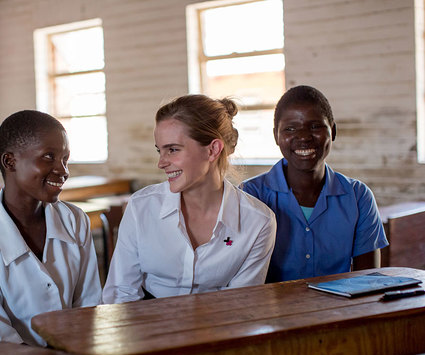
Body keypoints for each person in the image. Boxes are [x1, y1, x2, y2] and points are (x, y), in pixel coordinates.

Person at [102, 94, 276, 304]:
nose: (161, 163)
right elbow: (121, 294)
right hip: (144, 326)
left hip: (220, 328)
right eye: (160, 150)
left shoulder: (259, 222)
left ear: (213, 150)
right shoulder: (141, 207)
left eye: (173, 150)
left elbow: (241, 303)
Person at [0, 110, 102, 346]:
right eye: (48, 157)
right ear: (10, 161)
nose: (63, 170)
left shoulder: (74, 220)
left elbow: (89, 306)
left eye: (65, 159)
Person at [240, 85, 389, 283]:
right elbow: (245, 279)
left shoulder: (358, 196)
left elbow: (367, 280)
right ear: (276, 135)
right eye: (290, 128)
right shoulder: (251, 194)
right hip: (274, 312)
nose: (303, 137)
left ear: (333, 131)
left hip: (340, 311)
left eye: (315, 126)